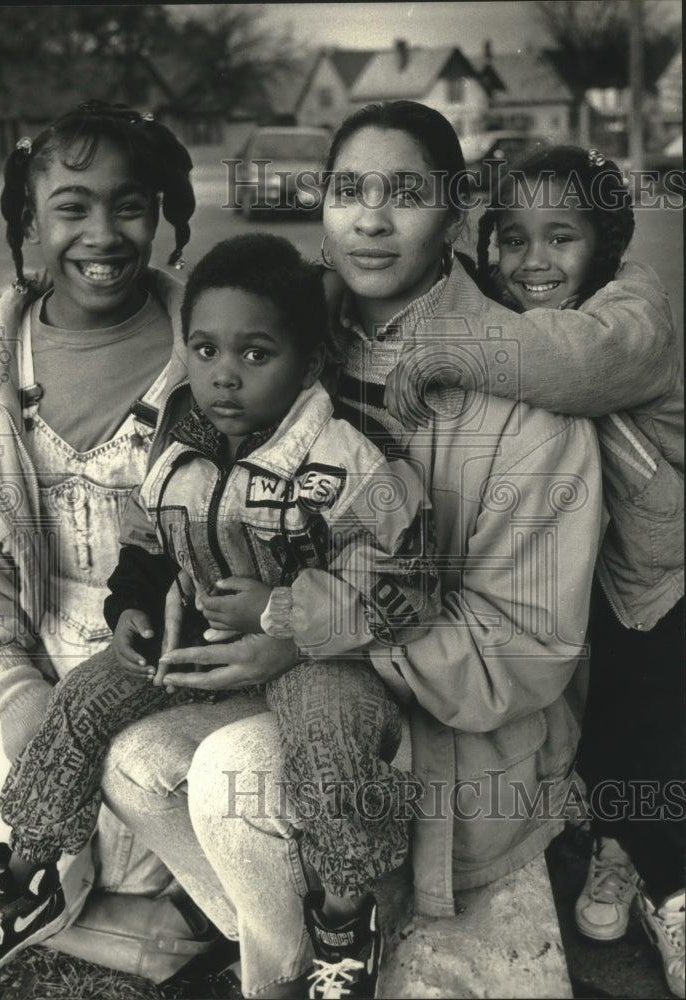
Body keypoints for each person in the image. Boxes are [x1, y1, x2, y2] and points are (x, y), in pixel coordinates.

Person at [93, 101, 604, 999]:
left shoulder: (525, 402)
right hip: (284, 688)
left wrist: (306, 628)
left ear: (455, 214)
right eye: (348, 190)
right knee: (136, 759)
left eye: (404, 192)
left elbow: (520, 657)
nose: (370, 217)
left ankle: (348, 932)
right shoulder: (273, 337)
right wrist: (171, 588)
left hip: (452, 738)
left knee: (228, 775)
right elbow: (183, 491)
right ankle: (298, 954)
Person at [0, 232, 437, 992]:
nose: (225, 377)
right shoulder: (180, 437)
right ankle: (23, 878)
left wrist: (283, 612)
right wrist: (132, 607)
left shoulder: (345, 458)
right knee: (82, 703)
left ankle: (344, 922)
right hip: (201, 650)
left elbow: (409, 577)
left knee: (328, 747)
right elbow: (147, 537)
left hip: (321, 662)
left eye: (256, 355)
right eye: (205, 350)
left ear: (310, 362)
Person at [390, 144, 684, 998]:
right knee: (581, 721)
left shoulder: (633, 312)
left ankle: (663, 879)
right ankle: (604, 838)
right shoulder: (505, 307)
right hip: (575, 569)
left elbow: (571, 360)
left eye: (560, 237)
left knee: (646, 729)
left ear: (607, 243)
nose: (533, 260)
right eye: (510, 239)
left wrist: (447, 354)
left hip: (657, 572)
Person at [0, 99, 224, 987]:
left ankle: (181, 921)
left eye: (129, 204)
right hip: (46, 656)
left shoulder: (218, 350)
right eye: (70, 207)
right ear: (29, 221)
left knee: (150, 856)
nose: (102, 233)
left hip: (174, 661)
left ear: (163, 213)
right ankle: (134, 925)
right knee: (37, 845)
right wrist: (12, 684)